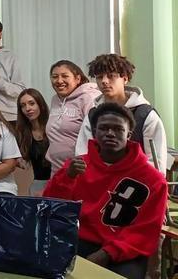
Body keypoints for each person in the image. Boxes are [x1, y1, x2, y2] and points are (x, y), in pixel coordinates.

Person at [44, 103, 167, 279]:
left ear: (129, 135)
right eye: (104, 128)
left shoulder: (152, 179)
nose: (110, 133)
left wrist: (107, 253)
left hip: (125, 250)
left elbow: (146, 230)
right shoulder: (76, 167)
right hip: (79, 241)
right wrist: (67, 178)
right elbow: (52, 208)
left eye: (118, 129)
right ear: (94, 132)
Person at [75, 54, 168, 173]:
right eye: (99, 77)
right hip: (100, 183)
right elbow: (83, 155)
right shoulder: (93, 115)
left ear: (125, 78)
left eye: (111, 76)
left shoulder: (145, 115)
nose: (104, 81)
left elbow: (156, 162)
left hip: (137, 184)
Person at [46, 60, 98, 176]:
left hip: (81, 172)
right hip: (57, 171)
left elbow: (95, 135)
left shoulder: (88, 98)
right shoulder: (55, 100)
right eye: (55, 77)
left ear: (77, 79)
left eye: (65, 76)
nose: (59, 81)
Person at [15, 88, 51, 196]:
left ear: (41, 104)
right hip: (38, 185)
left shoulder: (52, 126)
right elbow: (23, 162)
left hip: (58, 181)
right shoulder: (22, 134)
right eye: (23, 105)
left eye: (32, 103)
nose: (28, 108)